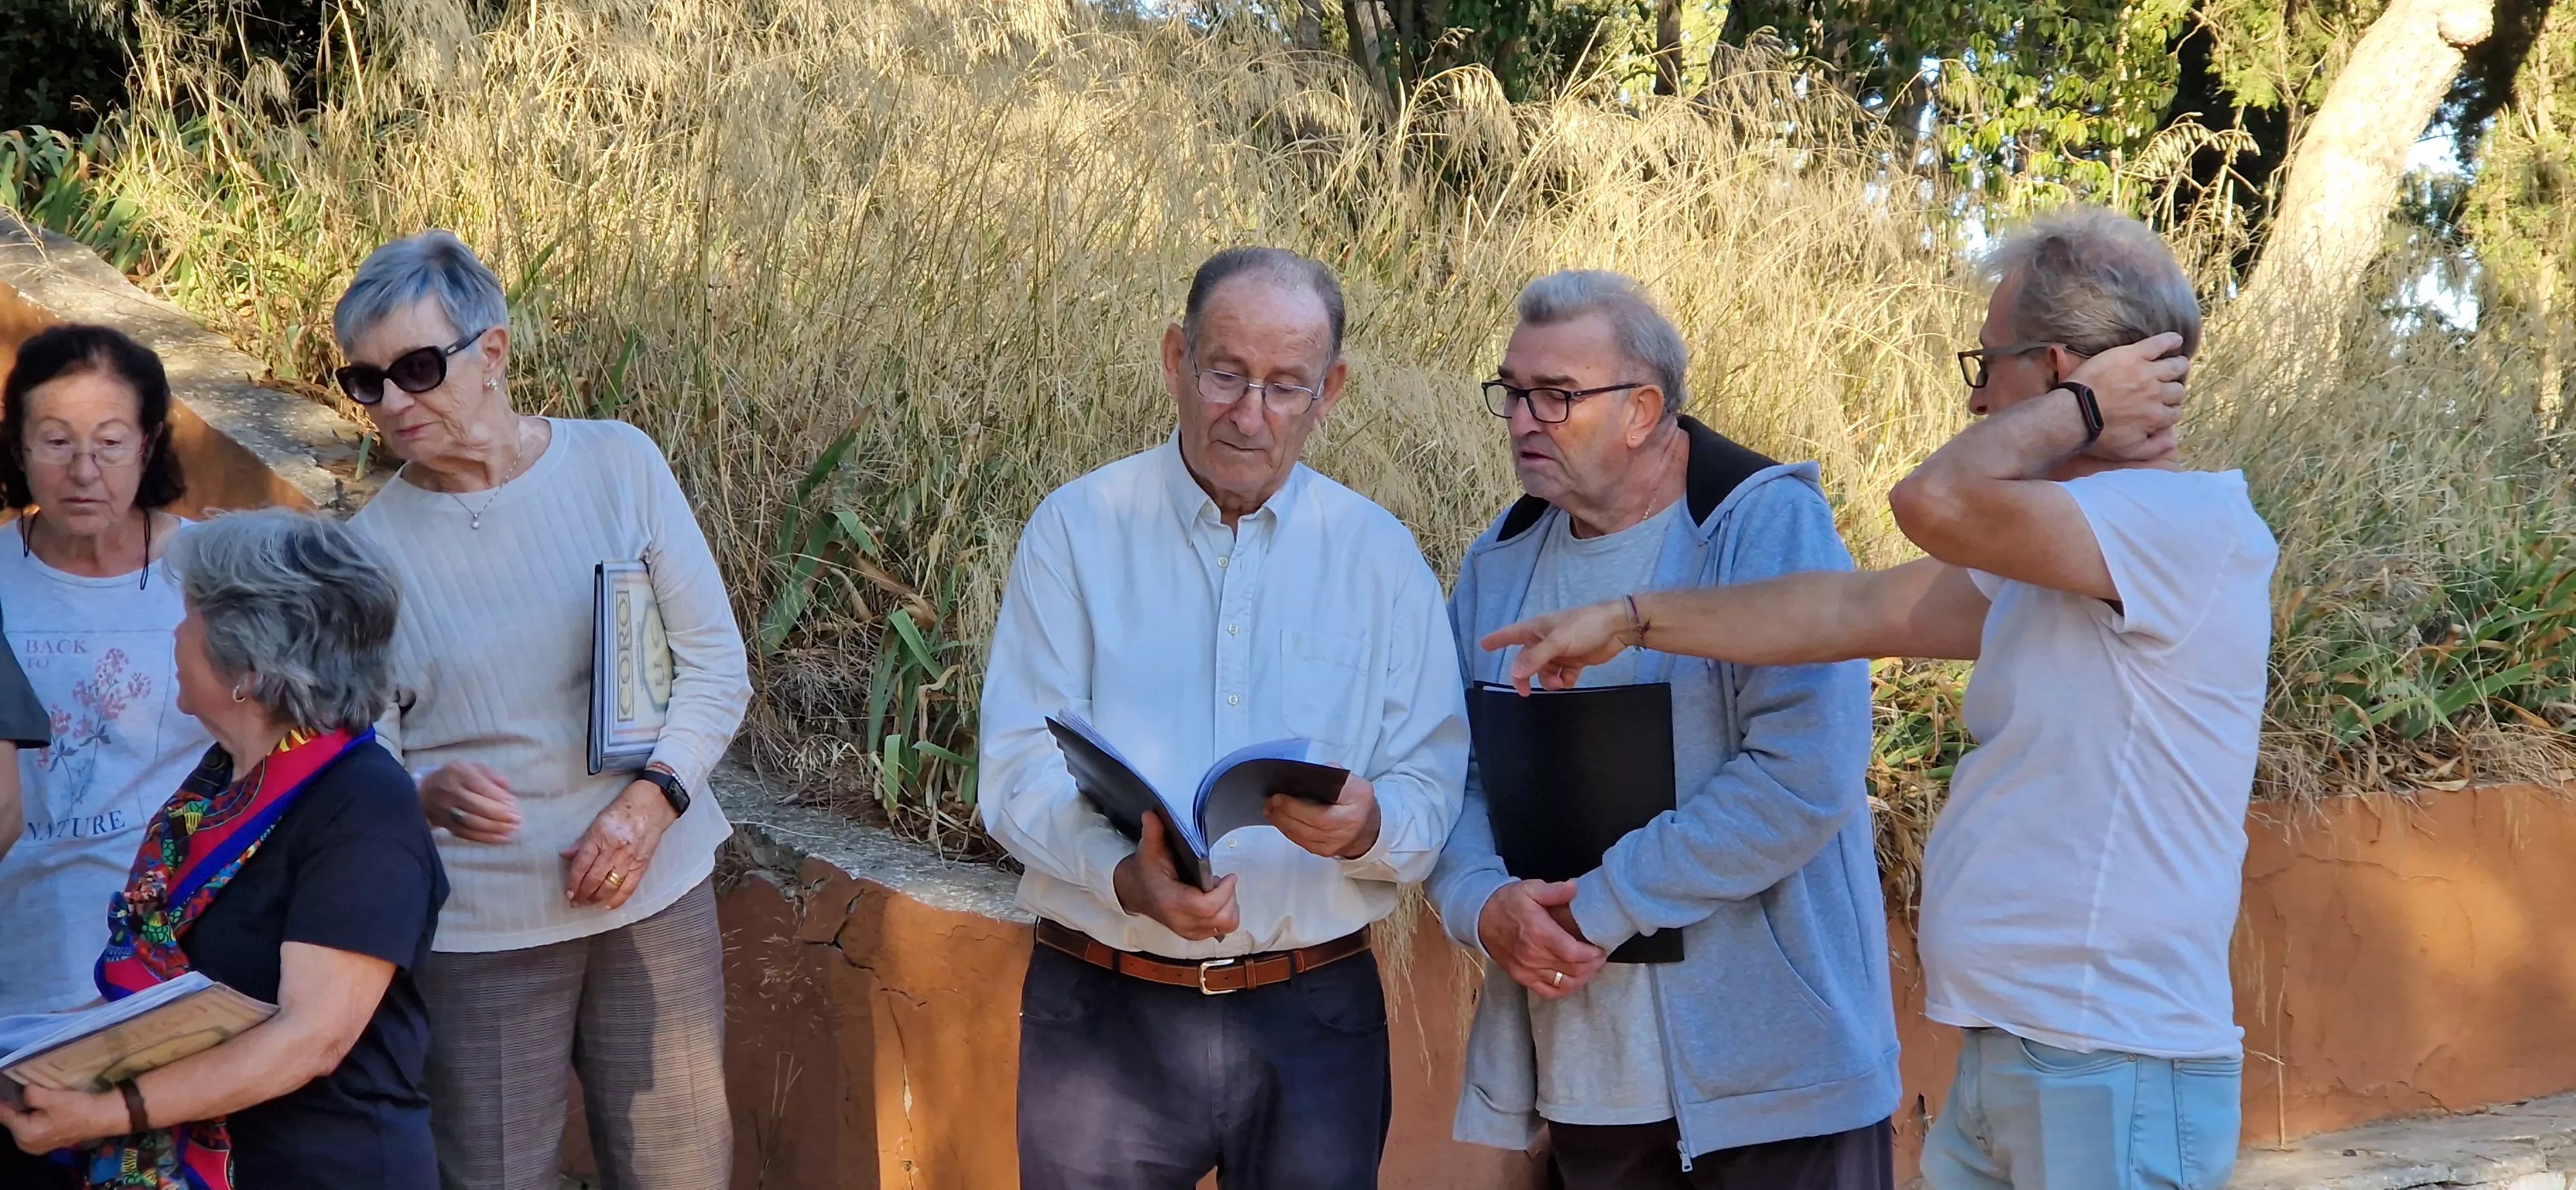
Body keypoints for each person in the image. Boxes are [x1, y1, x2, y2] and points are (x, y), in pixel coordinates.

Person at [1485, 207, 2273, 1190]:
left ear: (2065, 369)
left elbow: (1928, 503)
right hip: (2025, 1050)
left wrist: (2077, 411)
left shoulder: (2177, 526)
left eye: (1988, 366)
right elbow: (1845, 610)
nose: (1979, 401)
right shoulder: (2060, 552)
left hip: (2112, 1057)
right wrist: (1632, 619)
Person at [978, 246, 1470, 1189]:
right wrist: (1123, 876)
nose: (1250, 416)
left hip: (1314, 1017)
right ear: (1175, 359)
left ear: (1331, 392)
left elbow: (1429, 786)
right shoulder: (1078, 531)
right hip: (1105, 1006)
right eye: (1226, 374)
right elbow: (1015, 773)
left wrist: (1370, 828)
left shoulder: (1378, 558)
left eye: (1286, 387)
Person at [1426, 271, 1900, 1189]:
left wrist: (1601, 907)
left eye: (1556, 396)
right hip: (1586, 1086)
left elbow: (1803, 777)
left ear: (1643, 409)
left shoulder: (1761, 526)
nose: (1524, 418)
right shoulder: (1499, 561)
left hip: (1776, 1086)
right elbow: (1455, 774)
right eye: (1513, 393)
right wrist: (1484, 906)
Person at [336, 231, 752, 1190]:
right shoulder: (362, 554)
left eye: (419, 367)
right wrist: (424, 793)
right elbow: (360, 770)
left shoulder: (618, 466)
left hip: (657, 890)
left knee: (681, 1171)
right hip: (484, 929)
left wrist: (650, 806)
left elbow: (715, 667)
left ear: (494, 353)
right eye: (368, 381)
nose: (394, 402)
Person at [0, 507, 446, 1190]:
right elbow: (168, 986)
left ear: (246, 663)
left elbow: (313, 1038)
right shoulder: (217, 784)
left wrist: (112, 1111)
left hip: (316, 1166)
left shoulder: (364, 809)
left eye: (191, 616)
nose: (176, 633)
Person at [0, 326, 210, 1018]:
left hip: (183, 960)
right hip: (23, 959)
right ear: (19, 446)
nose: (85, 471)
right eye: (57, 442)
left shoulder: (216, 574)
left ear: (148, 444)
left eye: (112, 442)